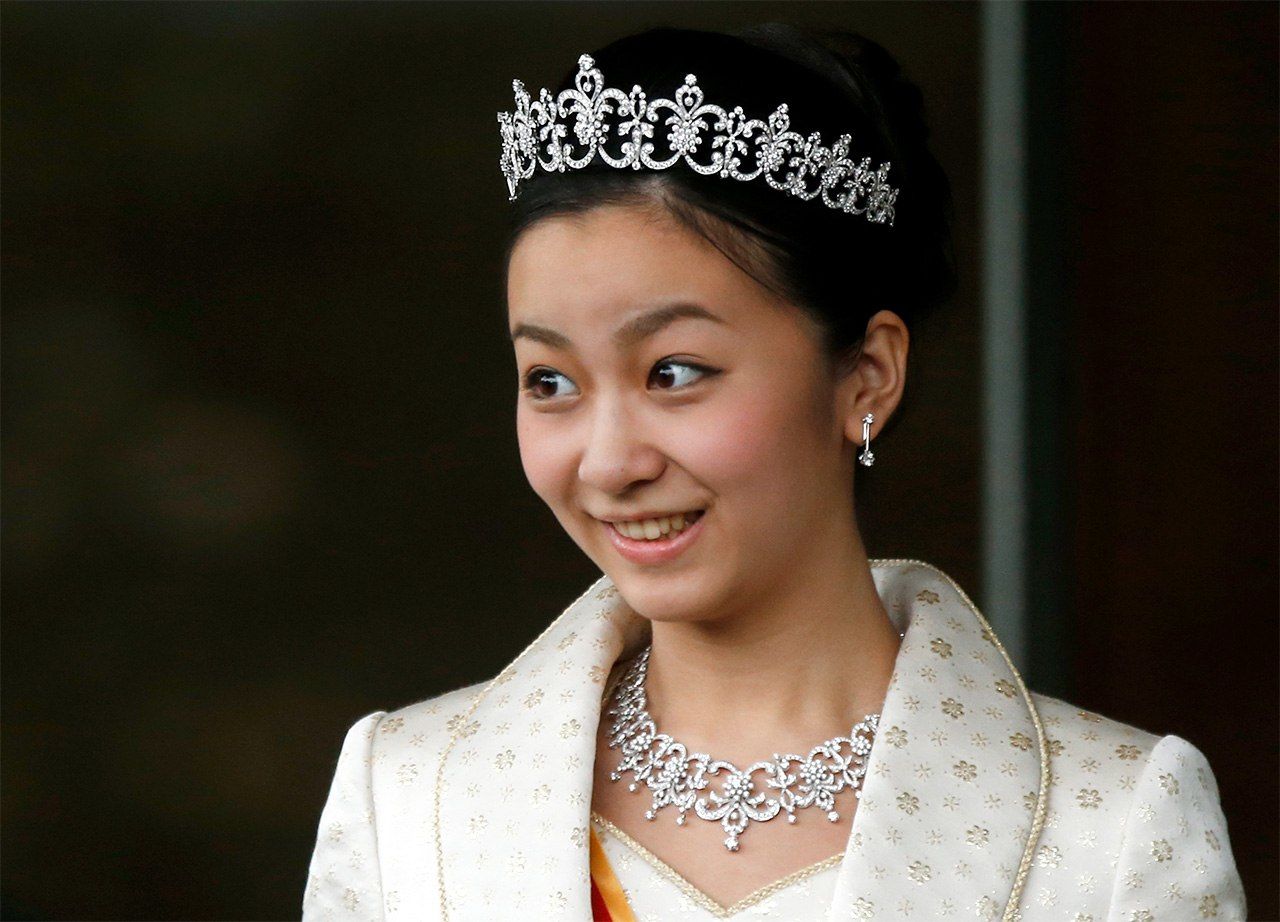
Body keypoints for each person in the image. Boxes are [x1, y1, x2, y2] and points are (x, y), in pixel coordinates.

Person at [302, 23, 1246, 921]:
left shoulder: (1110, 826)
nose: (609, 461)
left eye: (673, 372)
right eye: (550, 381)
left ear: (866, 375)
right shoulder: (409, 800)